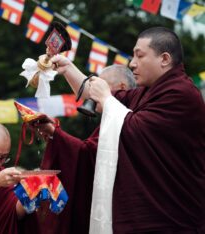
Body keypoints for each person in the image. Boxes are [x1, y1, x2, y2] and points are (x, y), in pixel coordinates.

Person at [47, 26, 205, 233]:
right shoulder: (144, 93)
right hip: (145, 212)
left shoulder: (183, 94)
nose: (132, 64)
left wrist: (106, 98)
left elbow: (136, 129)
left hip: (173, 215)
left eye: (140, 56)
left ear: (164, 59)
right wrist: (68, 68)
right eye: (133, 56)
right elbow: (91, 96)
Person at [31, 64, 136, 234]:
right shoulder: (110, 119)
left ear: (121, 87)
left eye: (101, 85)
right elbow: (90, 152)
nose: (93, 94)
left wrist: (55, 134)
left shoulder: (130, 118)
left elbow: (87, 155)